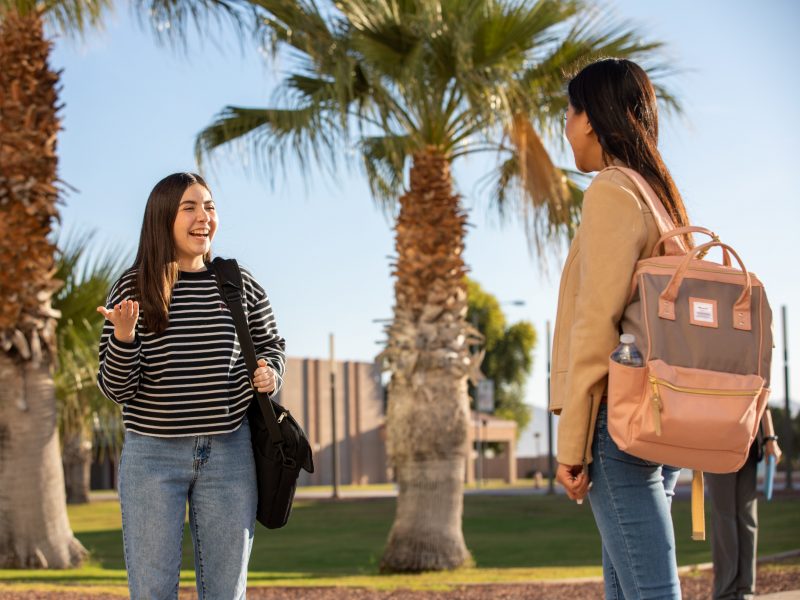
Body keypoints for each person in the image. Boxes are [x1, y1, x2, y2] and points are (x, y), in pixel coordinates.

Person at [96, 172, 285, 599]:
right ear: (164, 218)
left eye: (210, 207)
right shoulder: (134, 286)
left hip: (229, 454)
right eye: (190, 207)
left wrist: (271, 371)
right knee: (153, 591)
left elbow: (272, 344)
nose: (204, 217)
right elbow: (115, 388)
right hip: (152, 455)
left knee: (225, 592)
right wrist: (124, 337)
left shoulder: (239, 283)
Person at [550, 58, 692, 599]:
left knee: (651, 591)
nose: (565, 125)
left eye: (570, 110)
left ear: (591, 118)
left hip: (620, 420)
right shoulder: (660, 197)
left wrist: (573, 444)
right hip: (661, 414)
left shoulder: (612, 189)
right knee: (629, 586)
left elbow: (596, 324)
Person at [707, 410, 782, 600]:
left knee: (728, 516)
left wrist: (770, 437)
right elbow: (763, 387)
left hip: (723, 434)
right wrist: (770, 437)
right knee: (744, 516)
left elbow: (763, 388)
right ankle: (744, 591)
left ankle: (729, 593)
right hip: (746, 431)